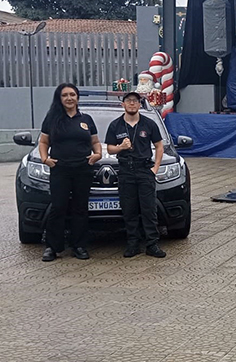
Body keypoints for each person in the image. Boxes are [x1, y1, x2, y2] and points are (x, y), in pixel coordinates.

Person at [39, 83, 102, 262]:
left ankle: (79, 246)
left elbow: (95, 142)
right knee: (58, 207)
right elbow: (43, 142)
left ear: (77, 97)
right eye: (65, 95)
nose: (69, 98)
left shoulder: (86, 119)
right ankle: (52, 247)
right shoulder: (51, 118)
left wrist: (97, 154)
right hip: (60, 169)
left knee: (80, 208)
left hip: (83, 169)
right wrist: (45, 159)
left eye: (72, 94)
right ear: (59, 98)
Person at [105, 91, 166, 258]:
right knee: (129, 209)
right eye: (128, 101)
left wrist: (155, 168)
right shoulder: (115, 125)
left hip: (144, 170)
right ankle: (133, 244)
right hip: (125, 171)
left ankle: (152, 244)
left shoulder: (149, 124)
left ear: (140, 105)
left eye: (135, 101)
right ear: (123, 105)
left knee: (149, 209)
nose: (132, 103)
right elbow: (110, 148)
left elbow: (159, 146)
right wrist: (121, 148)